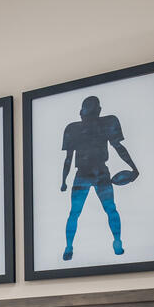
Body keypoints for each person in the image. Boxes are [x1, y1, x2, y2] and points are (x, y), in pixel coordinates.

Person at [59, 95, 138, 260]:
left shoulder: (78, 128)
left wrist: (64, 181)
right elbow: (118, 147)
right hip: (93, 173)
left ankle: (70, 246)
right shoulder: (97, 125)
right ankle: (71, 245)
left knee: (81, 212)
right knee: (105, 209)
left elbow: (68, 158)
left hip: (93, 174)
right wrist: (133, 167)